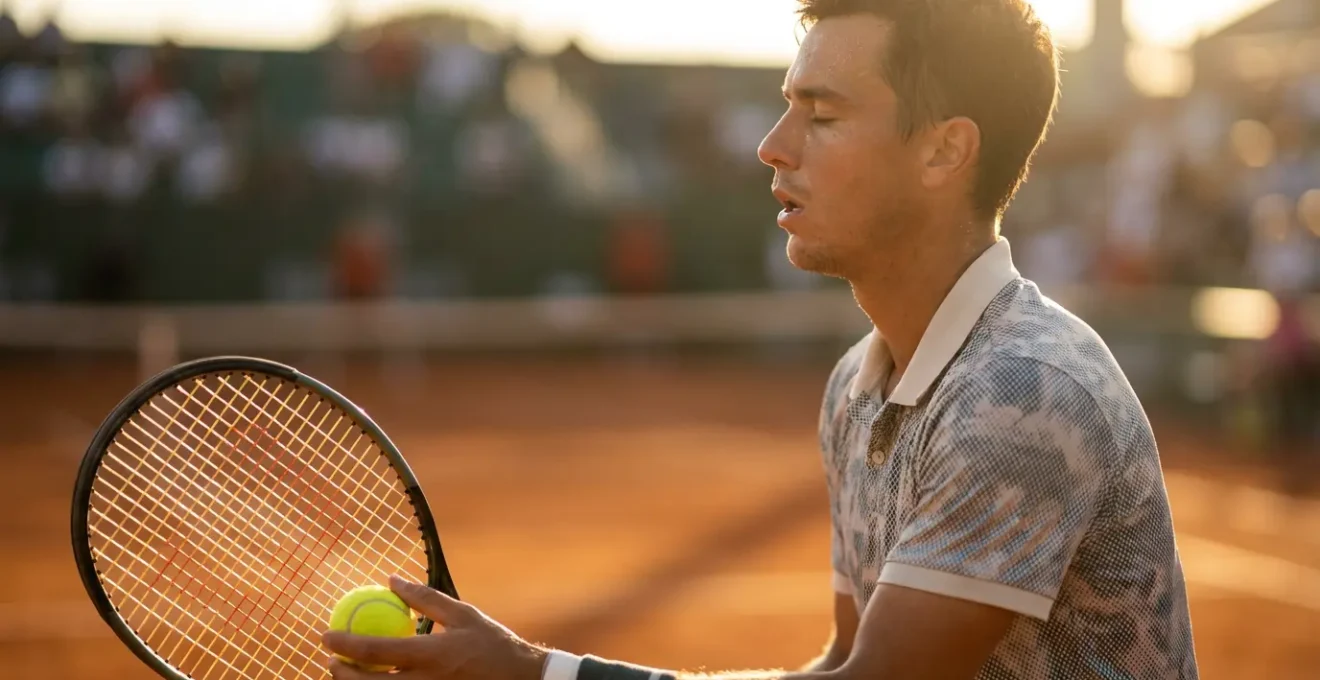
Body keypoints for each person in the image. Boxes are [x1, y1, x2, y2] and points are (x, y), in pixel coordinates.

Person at [321, 1, 1200, 678]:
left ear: (944, 152)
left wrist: (536, 673)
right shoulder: (857, 386)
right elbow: (842, 664)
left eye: (823, 115)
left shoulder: (1023, 396)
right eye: (787, 108)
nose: (773, 147)